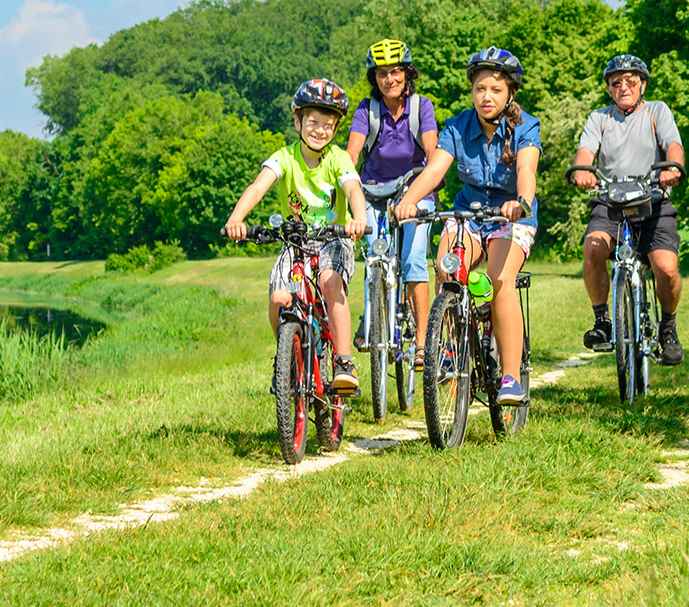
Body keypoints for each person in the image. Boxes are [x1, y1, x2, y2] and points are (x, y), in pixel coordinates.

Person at [394, 48, 540, 406]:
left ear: (510, 94)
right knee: (447, 268)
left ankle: (509, 377)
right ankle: (449, 347)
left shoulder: (525, 126)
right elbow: (434, 170)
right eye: (479, 89)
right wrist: (409, 200)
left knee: (498, 283)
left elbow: (526, 171)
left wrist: (520, 202)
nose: (486, 97)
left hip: (511, 217)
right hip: (469, 215)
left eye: (495, 89)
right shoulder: (458, 126)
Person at [225, 78, 370, 394]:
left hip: (335, 238)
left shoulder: (338, 159)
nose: (320, 130)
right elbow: (258, 187)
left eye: (328, 125)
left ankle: (344, 362)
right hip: (296, 240)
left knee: (330, 283)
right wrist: (237, 219)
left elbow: (352, 188)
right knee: (279, 299)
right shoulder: (284, 157)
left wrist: (359, 218)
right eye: (313, 122)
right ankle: (288, 358)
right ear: (297, 121)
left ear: (335, 129)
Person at [565, 54, 688, 365]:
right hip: (610, 202)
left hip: (653, 202)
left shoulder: (657, 111)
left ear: (642, 84)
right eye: (616, 82)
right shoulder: (599, 118)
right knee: (593, 248)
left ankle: (668, 328)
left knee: (666, 268)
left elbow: (673, 145)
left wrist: (672, 168)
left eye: (630, 81)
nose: (623, 86)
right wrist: (583, 169)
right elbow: (586, 150)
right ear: (609, 89)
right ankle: (603, 321)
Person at [344, 38, 440, 365]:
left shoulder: (421, 107)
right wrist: (345, 188)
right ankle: (374, 317)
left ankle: (424, 342)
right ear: (375, 78)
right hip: (374, 191)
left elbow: (432, 153)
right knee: (375, 258)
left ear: (407, 73)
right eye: (382, 73)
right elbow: (352, 155)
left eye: (396, 72)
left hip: (415, 193)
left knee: (413, 260)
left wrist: (420, 192)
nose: (390, 79)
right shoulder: (366, 110)